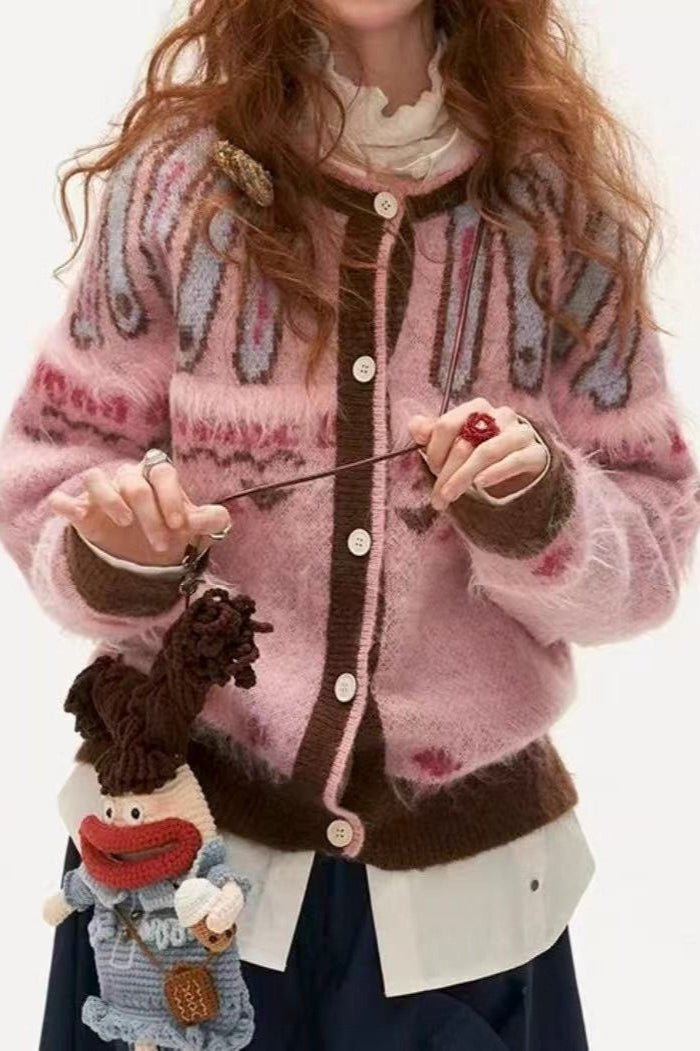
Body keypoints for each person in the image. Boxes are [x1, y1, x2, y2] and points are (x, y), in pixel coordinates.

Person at [1, 1, 698, 1048]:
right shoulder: (177, 182)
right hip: (172, 881)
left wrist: (535, 511)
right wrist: (120, 552)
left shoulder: (558, 206)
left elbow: (653, 545)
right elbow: (49, 475)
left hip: (460, 920)